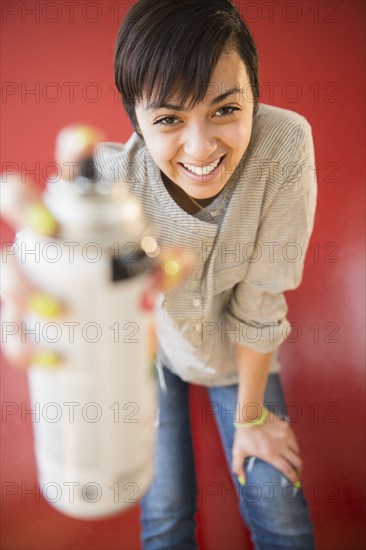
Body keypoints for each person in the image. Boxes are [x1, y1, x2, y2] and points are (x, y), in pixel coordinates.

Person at [1, 0, 317, 548]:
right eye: (169, 119)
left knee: (279, 511)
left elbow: (263, 298)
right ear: (137, 121)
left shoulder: (284, 146)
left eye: (224, 109)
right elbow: (48, 256)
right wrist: (30, 268)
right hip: (151, 355)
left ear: (255, 96)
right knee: (165, 514)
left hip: (242, 350)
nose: (201, 148)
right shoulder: (111, 184)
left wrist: (250, 415)